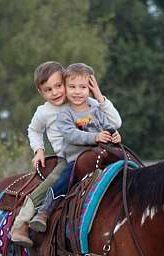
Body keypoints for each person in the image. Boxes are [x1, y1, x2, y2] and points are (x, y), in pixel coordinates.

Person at [10, 61, 121, 245]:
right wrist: (39, 150)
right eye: (48, 89)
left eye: (59, 86)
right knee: (52, 182)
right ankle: (21, 223)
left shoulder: (83, 102)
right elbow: (34, 130)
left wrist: (99, 96)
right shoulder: (44, 112)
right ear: (41, 92)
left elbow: (113, 121)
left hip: (95, 153)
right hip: (68, 158)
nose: (55, 93)